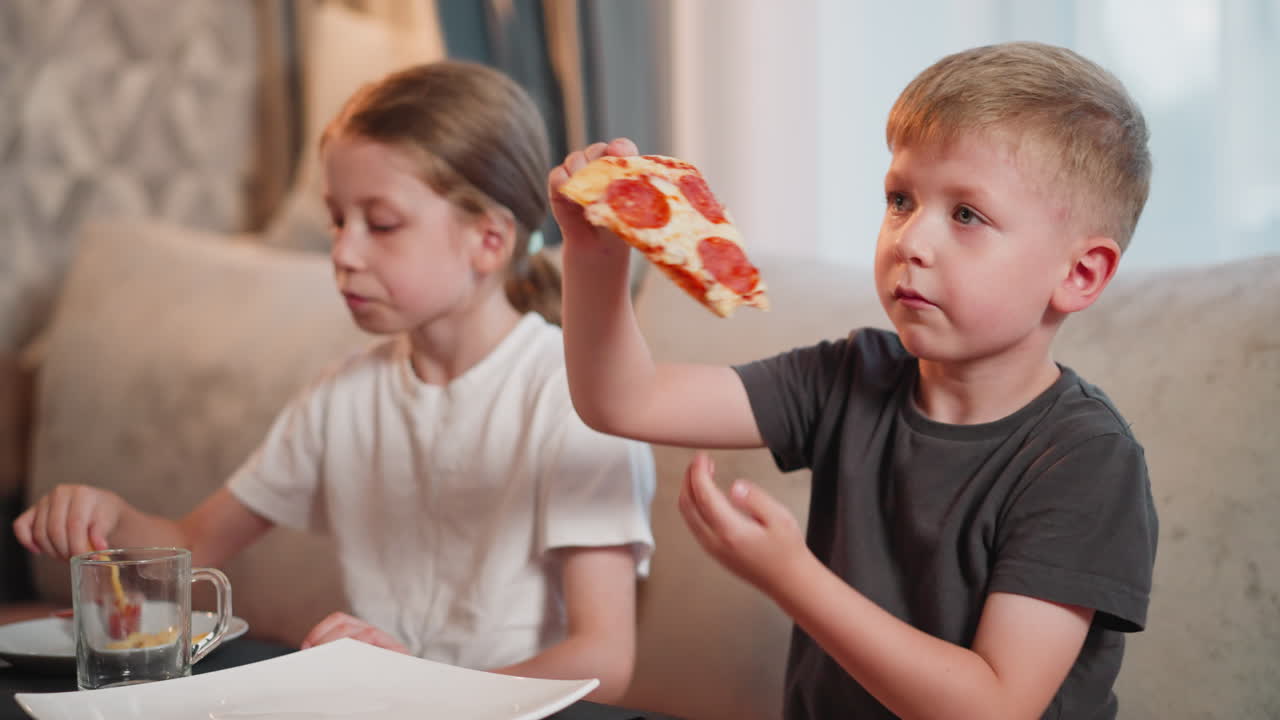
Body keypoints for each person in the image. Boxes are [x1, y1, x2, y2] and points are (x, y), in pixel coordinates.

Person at [549, 41, 1158, 719]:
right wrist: (594, 258)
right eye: (901, 199)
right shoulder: (848, 376)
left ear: (1079, 275)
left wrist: (790, 577)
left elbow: (993, 707)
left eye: (966, 215)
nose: (909, 240)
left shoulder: (1087, 461)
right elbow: (621, 401)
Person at [15, 60, 655, 703]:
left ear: (488, 240)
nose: (344, 253)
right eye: (336, 220)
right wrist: (110, 516)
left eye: (380, 223)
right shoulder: (340, 396)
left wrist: (421, 688)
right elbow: (191, 545)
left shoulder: (575, 398)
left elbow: (603, 660)